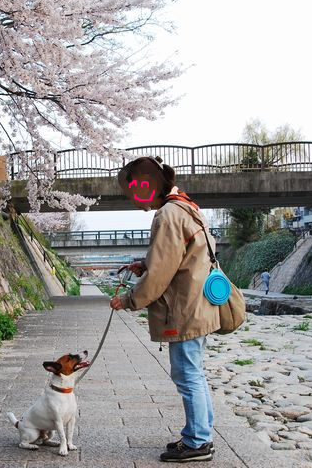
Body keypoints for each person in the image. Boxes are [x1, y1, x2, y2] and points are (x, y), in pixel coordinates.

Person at [109, 156, 219, 463]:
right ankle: (200, 434)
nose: (131, 199)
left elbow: (161, 272)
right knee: (194, 373)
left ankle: (198, 441)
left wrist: (129, 299)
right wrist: (144, 265)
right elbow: (176, 258)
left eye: (132, 191)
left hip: (184, 307)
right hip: (198, 303)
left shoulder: (168, 214)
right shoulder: (186, 207)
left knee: (187, 374)